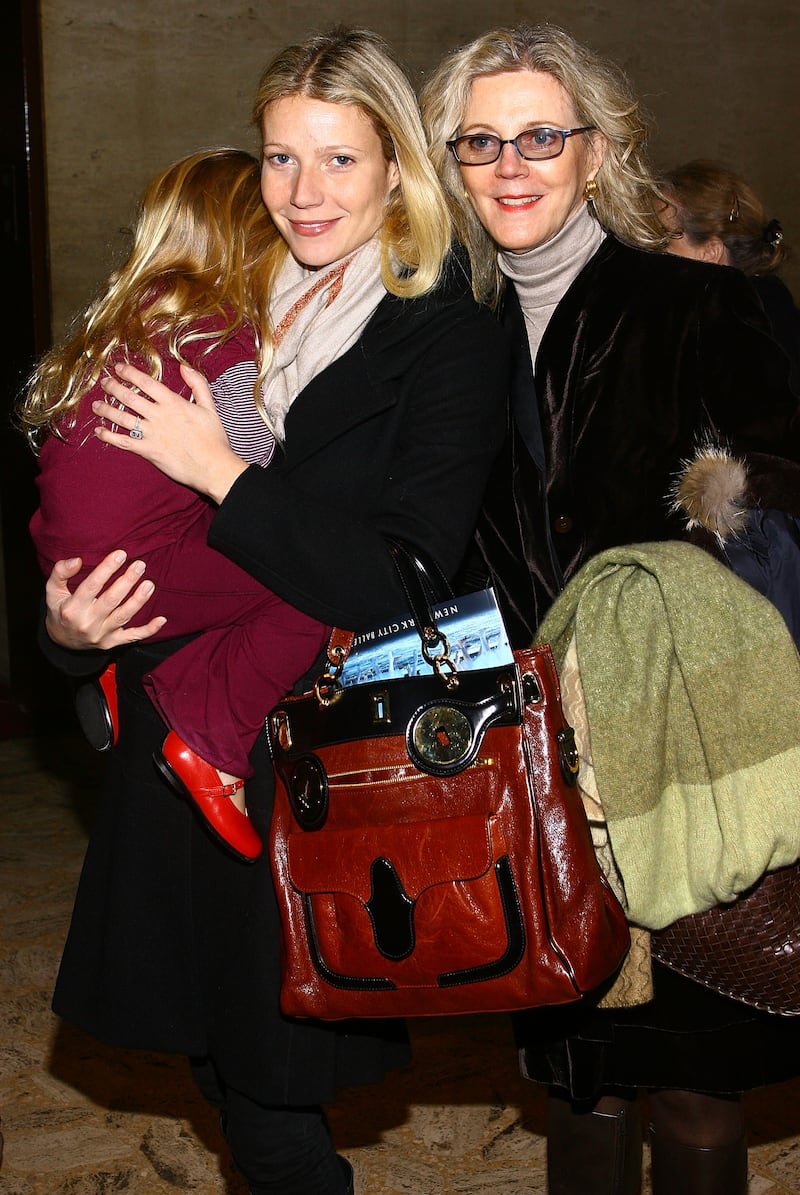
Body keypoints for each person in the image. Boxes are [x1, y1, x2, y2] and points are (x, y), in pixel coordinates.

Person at [41, 26, 508, 1195]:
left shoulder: (444, 328)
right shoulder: (237, 284)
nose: (304, 194)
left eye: (339, 161)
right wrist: (66, 636)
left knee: (274, 1100)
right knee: (213, 1068)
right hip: (175, 751)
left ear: (397, 167)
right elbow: (117, 519)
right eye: (280, 159)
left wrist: (225, 475)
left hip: (308, 761)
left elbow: (402, 578)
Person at [421, 23, 800, 1195]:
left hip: (679, 748)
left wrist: (668, 592)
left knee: (689, 1073)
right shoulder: (440, 336)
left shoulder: (694, 305)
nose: (510, 164)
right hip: (524, 764)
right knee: (571, 1068)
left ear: (596, 149)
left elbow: (787, 495)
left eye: (540, 134)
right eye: (479, 140)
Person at [19, 147, 329, 862]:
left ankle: (132, 684)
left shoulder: (120, 324)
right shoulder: (218, 326)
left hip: (70, 563)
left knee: (239, 578)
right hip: (135, 567)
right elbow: (251, 462)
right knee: (308, 579)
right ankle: (208, 731)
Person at [661, 158, 800, 392]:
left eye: (662, 238)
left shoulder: (743, 324)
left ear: (709, 252)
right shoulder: (758, 298)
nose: (647, 249)